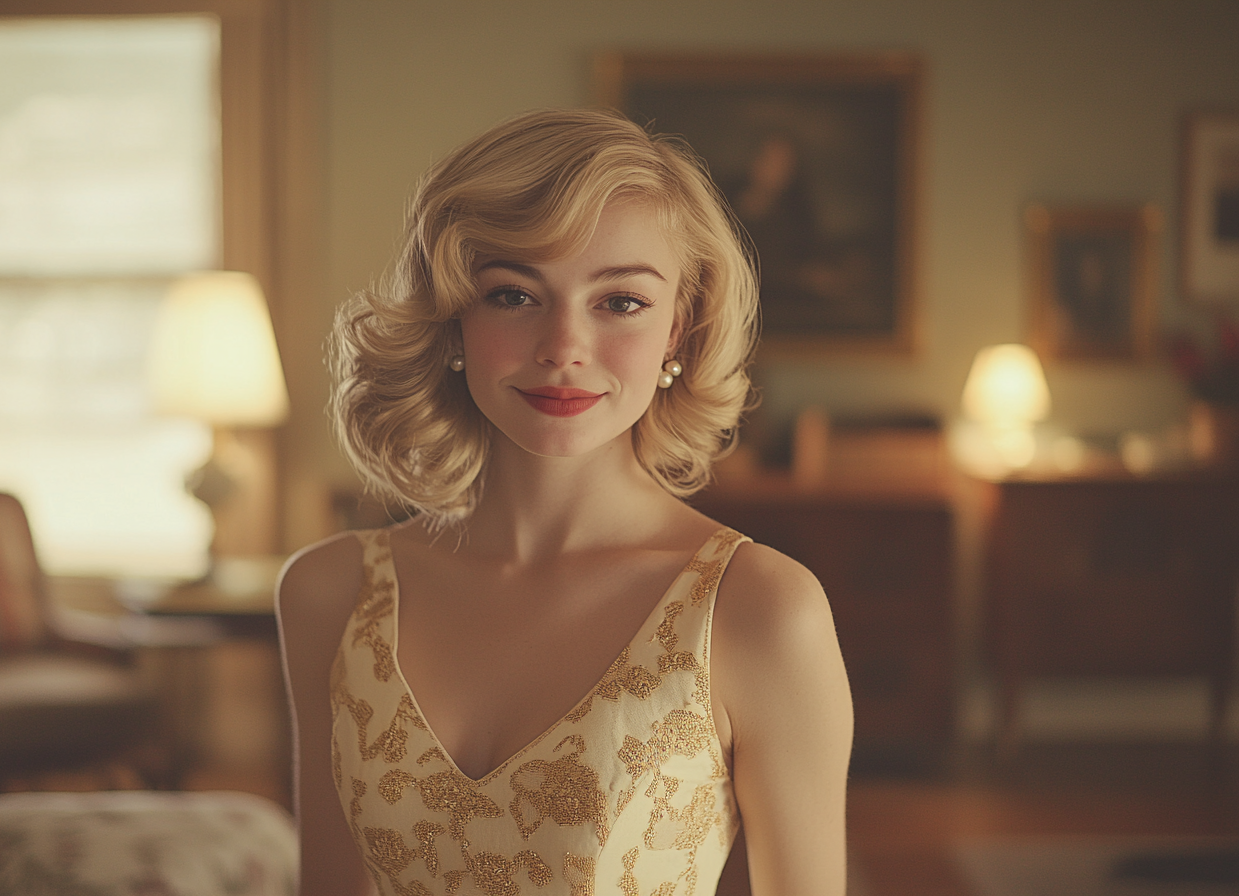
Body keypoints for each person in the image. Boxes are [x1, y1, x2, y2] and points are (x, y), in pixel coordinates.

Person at [276, 108, 853, 896]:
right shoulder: (328, 594)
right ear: (452, 321)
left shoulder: (761, 610)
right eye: (514, 295)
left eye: (620, 302)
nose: (564, 348)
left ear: (678, 335)